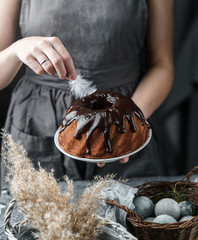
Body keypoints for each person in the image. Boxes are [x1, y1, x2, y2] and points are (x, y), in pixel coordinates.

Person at [0, 0, 174, 187]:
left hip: (129, 116)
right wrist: (15, 50)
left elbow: (162, 65)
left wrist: (129, 120)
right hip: (37, 121)